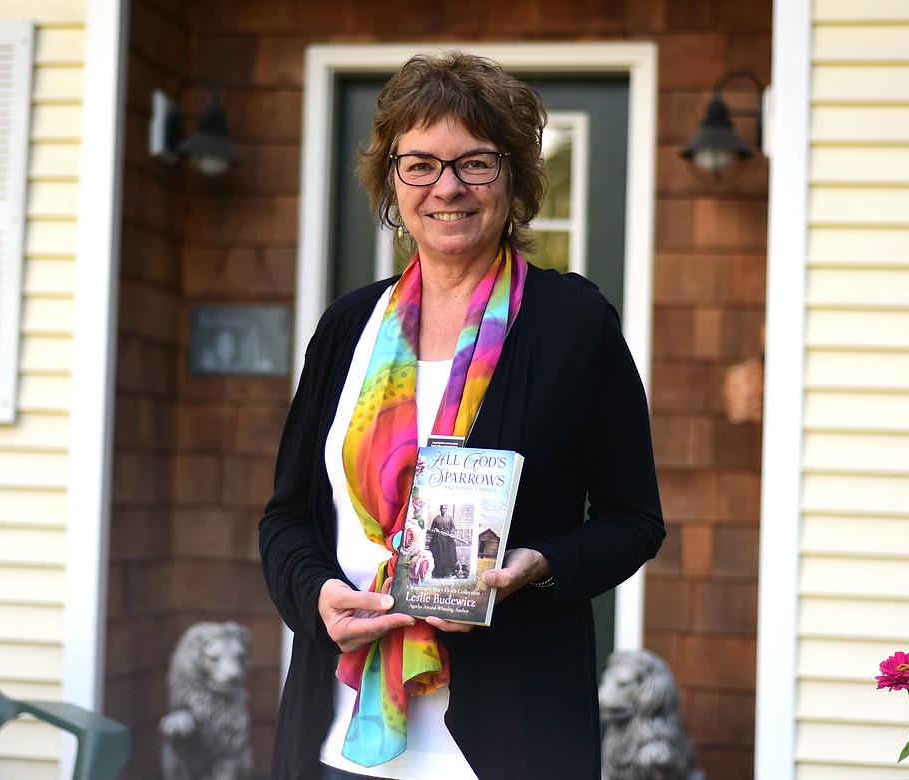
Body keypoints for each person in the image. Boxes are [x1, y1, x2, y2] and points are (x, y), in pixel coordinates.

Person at [259, 50, 664, 780]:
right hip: (337, 736)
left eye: (475, 163)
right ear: (392, 181)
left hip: (506, 739)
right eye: (420, 164)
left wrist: (536, 565)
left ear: (512, 177)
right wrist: (317, 595)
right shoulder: (348, 326)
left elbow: (633, 520)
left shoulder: (575, 325)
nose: (447, 187)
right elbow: (286, 518)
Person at [426, 505, 458, 578]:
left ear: (446, 509)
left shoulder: (449, 518)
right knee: (439, 555)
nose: (444, 510)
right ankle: (438, 573)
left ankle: (448, 572)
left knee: (449, 555)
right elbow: (432, 528)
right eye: (442, 508)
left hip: (447, 539)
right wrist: (435, 530)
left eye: (445, 508)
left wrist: (451, 533)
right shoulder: (436, 519)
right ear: (440, 509)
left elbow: (453, 527)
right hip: (439, 540)